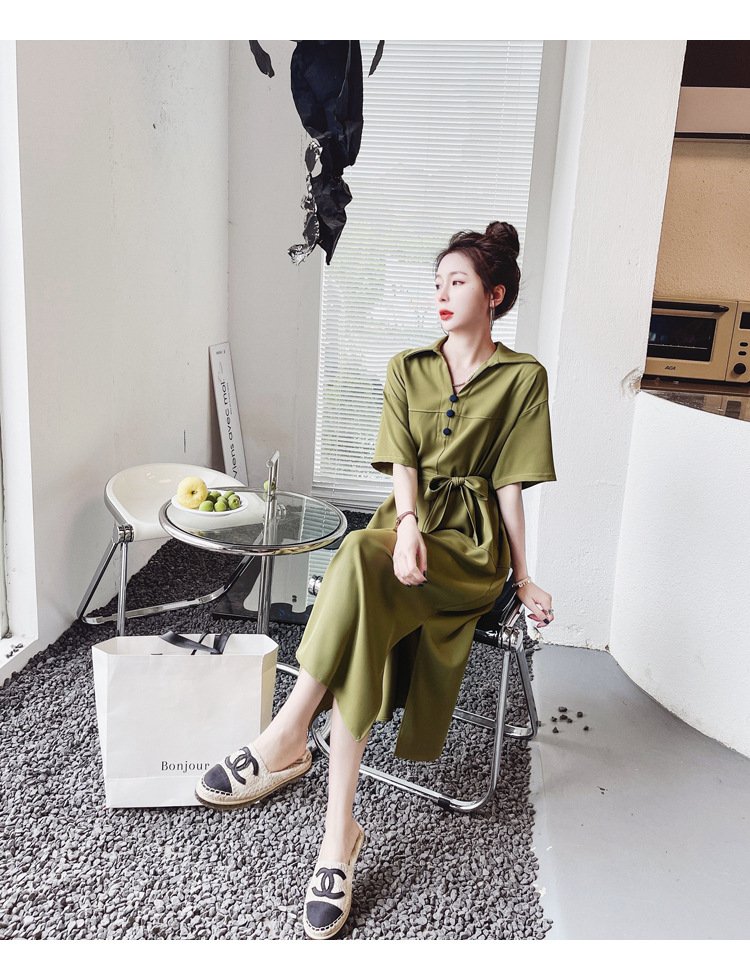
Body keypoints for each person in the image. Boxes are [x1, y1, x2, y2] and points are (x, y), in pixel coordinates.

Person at [195, 221, 556, 940]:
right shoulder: (406, 367)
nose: (442, 293)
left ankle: (288, 733)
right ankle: (339, 835)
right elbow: (403, 466)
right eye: (437, 282)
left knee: (359, 556)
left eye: (458, 281)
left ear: (494, 295)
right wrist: (410, 524)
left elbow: (511, 485)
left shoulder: (524, 378)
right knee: (367, 563)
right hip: (406, 531)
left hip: (471, 548)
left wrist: (525, 576)